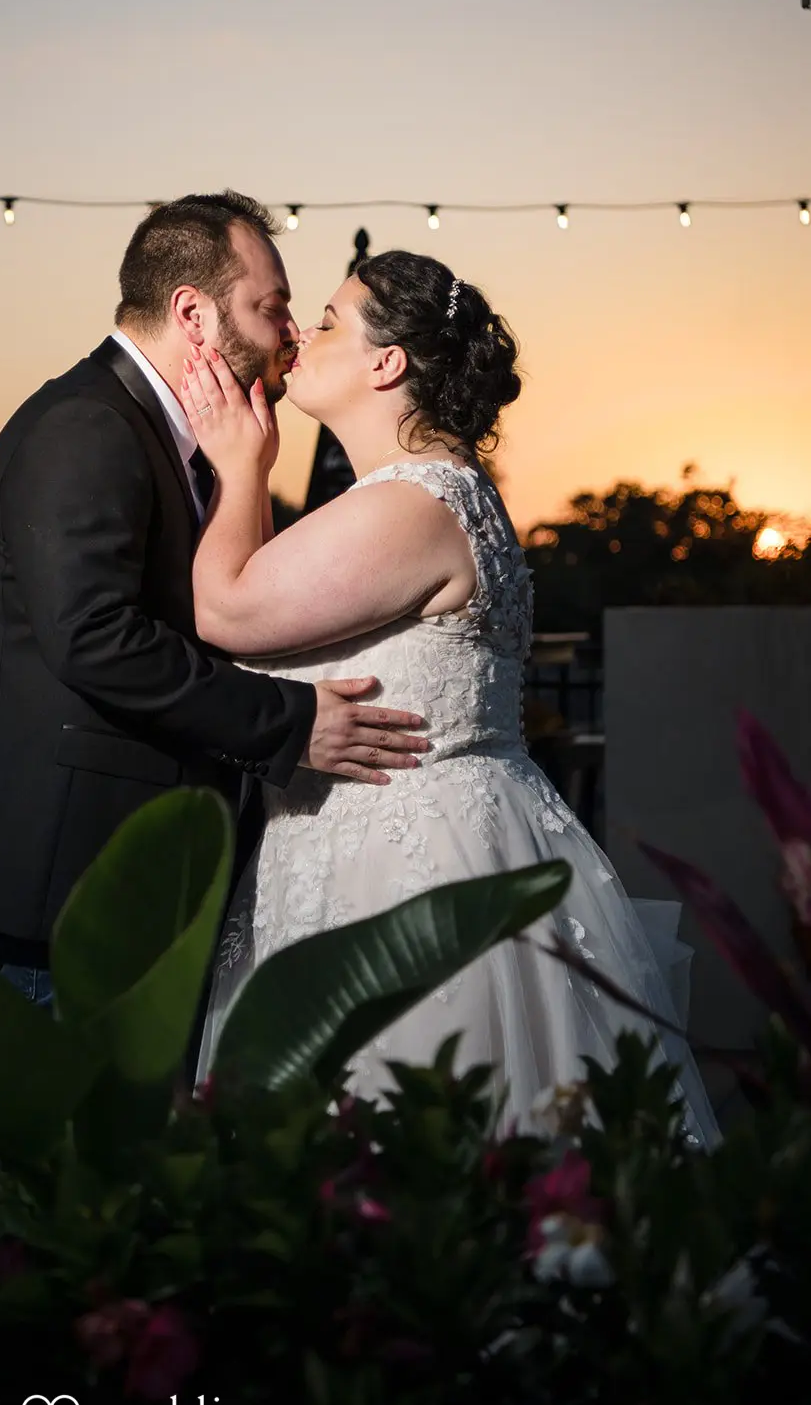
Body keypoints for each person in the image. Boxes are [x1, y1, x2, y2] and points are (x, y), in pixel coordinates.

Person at [183, 249, 718, 1143]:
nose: (298, 337)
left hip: (399, 863)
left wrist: (240, 467)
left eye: (325, 320)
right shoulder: (427, 494)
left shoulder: (415, 501)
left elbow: (226, 610)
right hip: (401, 833)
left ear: (385, 364)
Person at [0, 195, 430, 1010]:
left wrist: (242, 474)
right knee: (74, 1130)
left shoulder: (185, 439)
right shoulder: (87, 424)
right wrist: (292, 724)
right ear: (192, 312)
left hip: (142, 864)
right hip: (75, 867)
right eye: (271, 307)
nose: (289, 332)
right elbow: (94, 637)